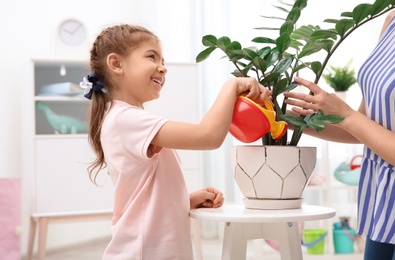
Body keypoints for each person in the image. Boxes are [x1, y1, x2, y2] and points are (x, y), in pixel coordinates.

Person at [80, 24, 270, 260]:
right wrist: (231, 86)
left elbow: (142, 195)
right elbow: (207, 136)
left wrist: (185, 201)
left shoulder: (124, 118)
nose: (163, 67)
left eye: (163, 60)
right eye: (152, 56)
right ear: (116, 64)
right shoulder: (126, 119)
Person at [284, 10, 395, 260]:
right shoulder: (390, 22)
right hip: (383, 199)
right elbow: (366, 127)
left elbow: (353, 120)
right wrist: (290, 120)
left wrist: (345, 114)